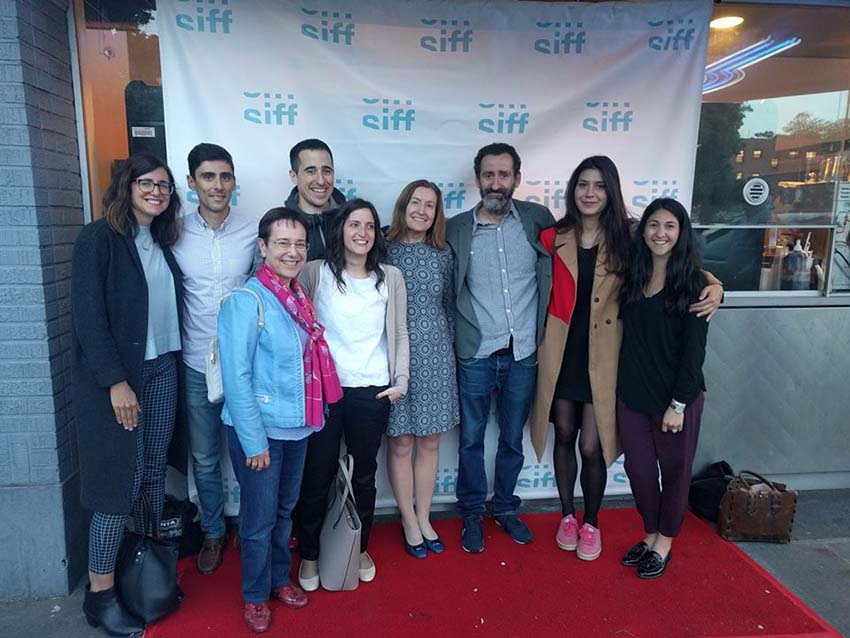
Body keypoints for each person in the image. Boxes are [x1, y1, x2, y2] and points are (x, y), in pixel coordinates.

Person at [530, 156, 722, 561]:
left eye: (599, 185)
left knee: (592, 446)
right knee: (563, 435)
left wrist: (716, 286)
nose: (590, 193)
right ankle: (568, 515)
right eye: (583, 184)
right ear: (572, 189)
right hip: (562, 353)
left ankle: (592, 522)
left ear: (611, 191)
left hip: (606, 357)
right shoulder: (553, 236)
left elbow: (676, 261)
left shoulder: (630, 236)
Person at [71, 154, 183, 637]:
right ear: (126, 186)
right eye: (147, 183)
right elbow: (88, 319)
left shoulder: (160, 239)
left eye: (164, 185)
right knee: (118, 486)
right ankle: (100, 596)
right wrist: (115, 381)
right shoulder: (98, 239)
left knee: (153, 473)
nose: (157, 191)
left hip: (164, 370)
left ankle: (142, 570)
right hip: (121, 381)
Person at [218, 207, 342, 632]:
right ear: (263, 246)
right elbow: (236, 378)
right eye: (283, 243)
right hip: (260, 431)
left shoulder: (297, 297)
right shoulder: (246, 300)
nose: (293, 252)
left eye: (300, 244)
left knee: (284, 511)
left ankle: (277, 579)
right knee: (258, 519)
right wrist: (253, 441)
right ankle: (254, 595)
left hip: (299, 424)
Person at [446, 142, 555, 553]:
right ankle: (471, 514)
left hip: (524, 352)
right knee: (471, 440)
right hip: (475, 353)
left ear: (516, 179)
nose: (496, 183)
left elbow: (590, 241)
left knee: (512, 438)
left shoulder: (536, 220)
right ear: (478, 180)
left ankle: (506, 508)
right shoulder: (455, 228)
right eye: (488, 175)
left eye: (503, 175)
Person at [295, 199, 409, 588]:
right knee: (318, 474)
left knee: (364, 476)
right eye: (354, 224)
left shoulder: (389, 276)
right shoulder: (315, 272)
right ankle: (309, 555)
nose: (362, 233)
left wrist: (400, 382)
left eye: (370, 226)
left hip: (373, 391)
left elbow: (399, 333)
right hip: (326, 391)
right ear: (340, 229)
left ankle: (359, 547)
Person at [171, 143, 257, 575]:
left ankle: (249, 524)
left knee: (249, 452)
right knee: (205, 458)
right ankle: (212, 532)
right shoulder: (174, 233)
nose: (218, 185)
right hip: (195, 363)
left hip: (244, 363)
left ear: (234, 181)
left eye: (225, 177)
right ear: (191, 183)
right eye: (208, 177)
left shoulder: (252, 231)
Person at [616, 198, 710, 579]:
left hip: (677, 398)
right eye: (654, 225)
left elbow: (694, 354)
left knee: (675, 472)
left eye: (670, 226)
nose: (660, 233)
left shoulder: (696, 283)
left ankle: (665, 542)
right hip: (633, 396)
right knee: (638, 470)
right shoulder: (633, 275)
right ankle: (650, 533)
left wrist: (679, 404)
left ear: (681, 232)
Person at [385, 180, 459, 558]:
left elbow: (448, 305)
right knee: (400, 441)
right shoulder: (382, 247)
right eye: (416, 202)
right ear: (404, 204)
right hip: (393, 356)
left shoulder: (444, 252)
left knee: (430, 440)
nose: (422, 210)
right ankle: (407, 519)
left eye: (430, 205)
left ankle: (425, 515)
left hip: (436, 357)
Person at [284, 138, 347, 260]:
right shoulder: (278, 226)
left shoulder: (353, 221)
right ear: (294, 176)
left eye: (326, 171)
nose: (321, 180)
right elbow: (264, 276)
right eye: (311, 171)